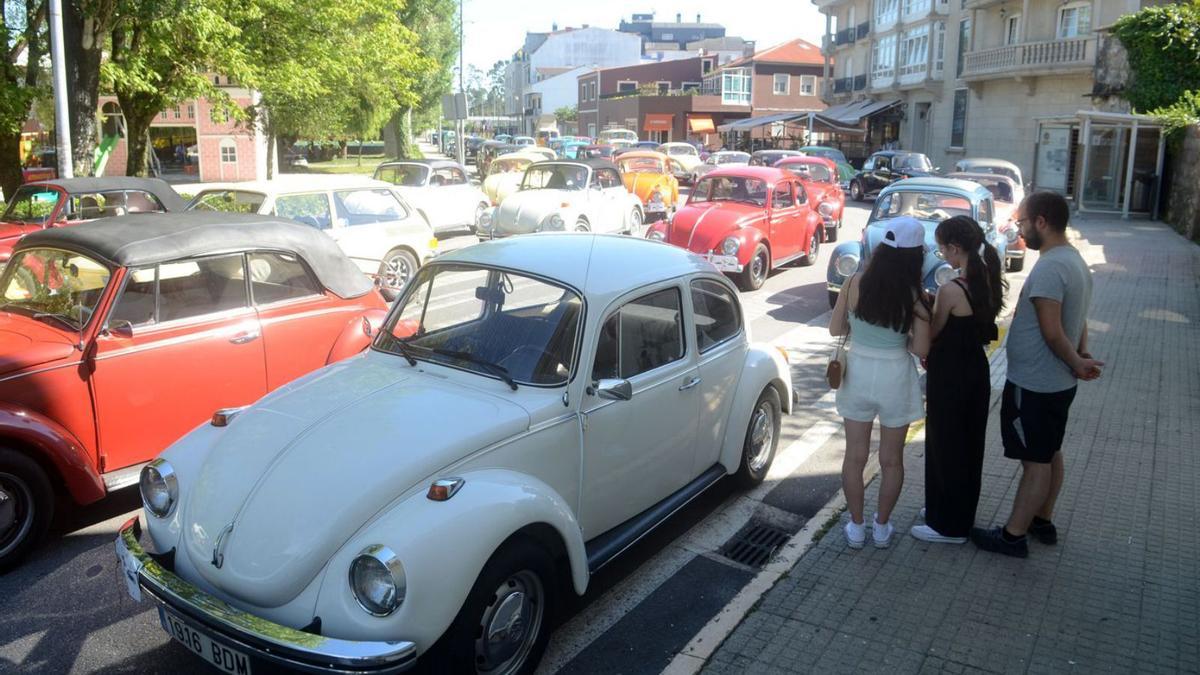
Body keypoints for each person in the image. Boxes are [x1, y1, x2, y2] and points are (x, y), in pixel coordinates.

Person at [972, 191, 1102, 558]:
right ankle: (1042, 519)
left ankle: (1013, 536)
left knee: (1035, 462)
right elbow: (1077, 318)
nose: (1020, 230)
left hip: (1036, 384)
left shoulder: (1050, 267)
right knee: (1049, 452)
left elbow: (1051, 329)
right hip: (1057, 382)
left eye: (1023, 222)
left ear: (1042, 221)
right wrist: (1081, 354)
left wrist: (1077, 361)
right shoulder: (1073, 260)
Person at [830, 216, 931, 549]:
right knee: (892, 460)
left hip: (857, 373)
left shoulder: (854, 281)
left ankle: (856, 528)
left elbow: (834, 329)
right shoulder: (916, 296)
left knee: (854, 456)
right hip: (895, 378)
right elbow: (921, 349)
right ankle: (882, 527)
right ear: (915, 256)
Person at [912, 216, 1006, 544]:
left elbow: (935, 331)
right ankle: (952, 511)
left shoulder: (951, 289)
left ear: (954, 248)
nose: (941, 255)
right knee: (968, 446)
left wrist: (926, 303)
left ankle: (948, 527)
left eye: (941, 249)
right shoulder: (989, 279)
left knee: (944, 444)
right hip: (976, 373)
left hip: (949, 375)